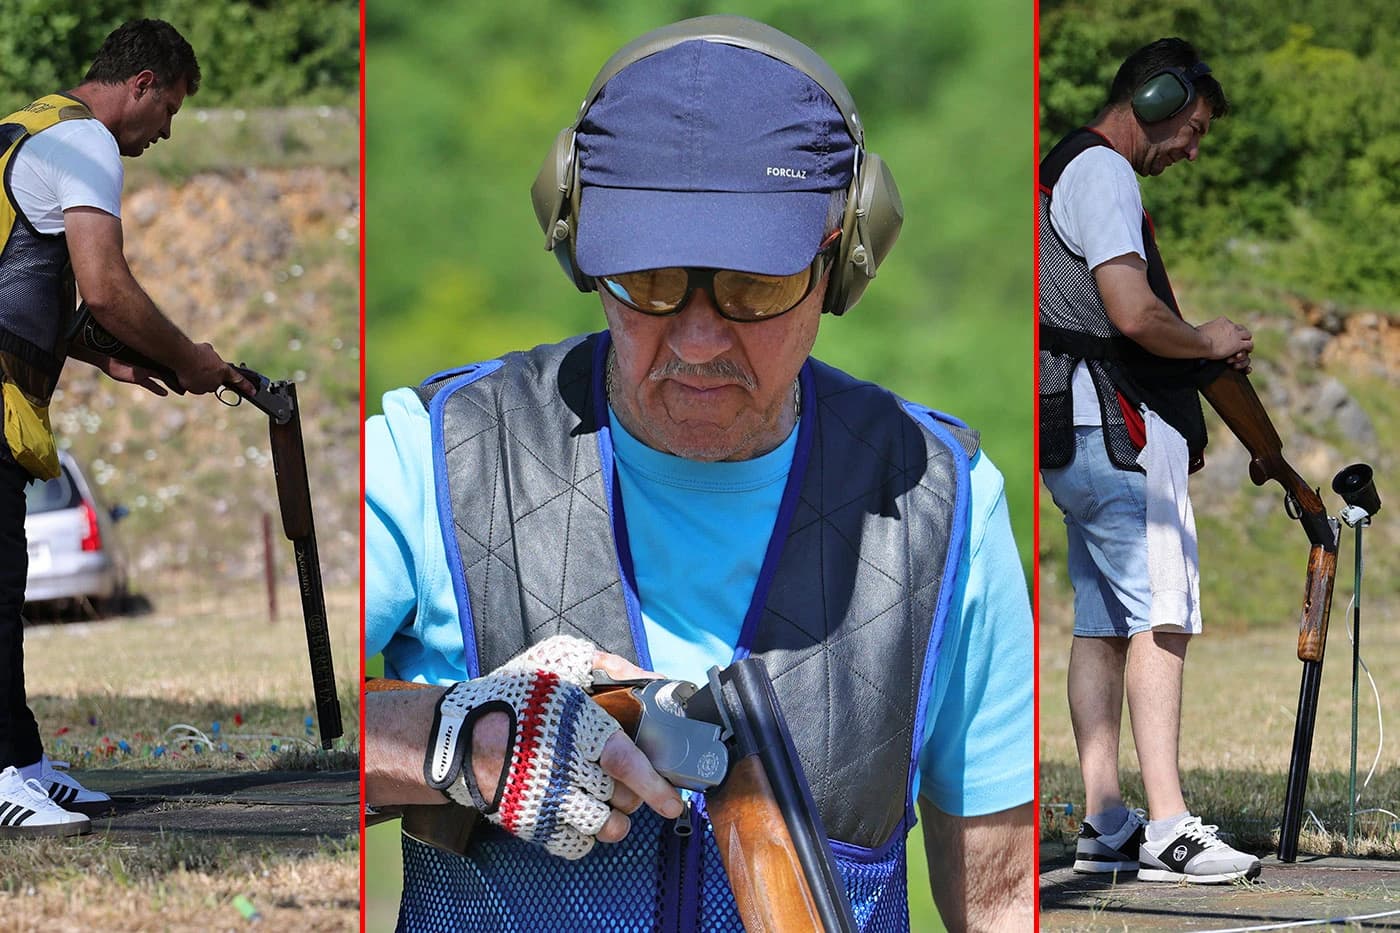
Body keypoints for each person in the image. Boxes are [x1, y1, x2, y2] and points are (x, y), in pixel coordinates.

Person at [365, 15, 1033, 931]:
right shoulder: (427, 458)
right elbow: (268, 728)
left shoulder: (944, 504)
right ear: (576, 242)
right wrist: (456, 739)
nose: (698, 338)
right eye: (647, 278)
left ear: (844, 255)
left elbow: (1000, 902)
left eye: (756, 284)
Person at [0, 19, 251, 837]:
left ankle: (23, 761)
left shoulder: (25, 126)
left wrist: (105, 356)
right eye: (169, 109)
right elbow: (105, 287)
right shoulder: (87, 145)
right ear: (141, 84)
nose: (166, 131)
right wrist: (192, 357)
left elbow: (23, 276)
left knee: (5, 591)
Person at [1038, 37, 1261, 884]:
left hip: (1076, 432)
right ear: (1157, 100)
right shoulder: (1105, 173)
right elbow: (1131, 312)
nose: (1193, 147)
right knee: (1161, 615)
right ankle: (1168, 826)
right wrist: (1206, 337)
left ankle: (1105, 819)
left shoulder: (1068, 164)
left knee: (1101, 623)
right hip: (1114, 428)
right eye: (1193, 127)